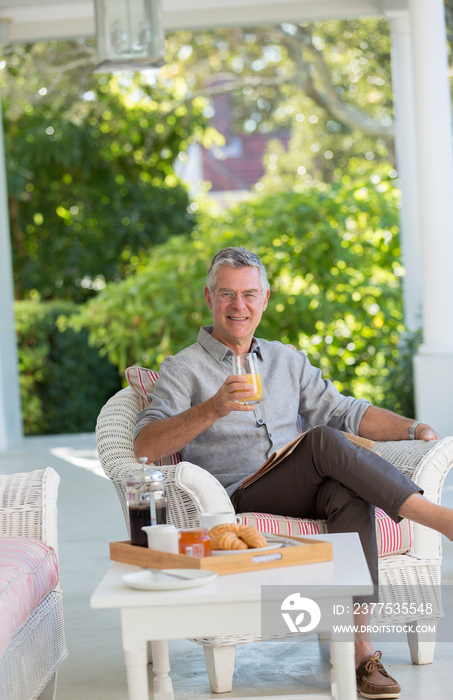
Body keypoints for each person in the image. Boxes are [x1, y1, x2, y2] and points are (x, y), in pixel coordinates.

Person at [134, 246, 452, 699]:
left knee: (348, 491)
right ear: (208, 298)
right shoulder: (183, 369)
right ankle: (437, 518)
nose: (238, 305)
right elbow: (145, 446)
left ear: (265, 298)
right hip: (241, 494)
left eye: (248, 294)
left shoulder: (286, 360)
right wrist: (214, 407)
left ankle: (360, 653)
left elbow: (345, 411)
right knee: (321, 440)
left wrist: (413, 427)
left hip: (302, 484)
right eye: (226, 294)